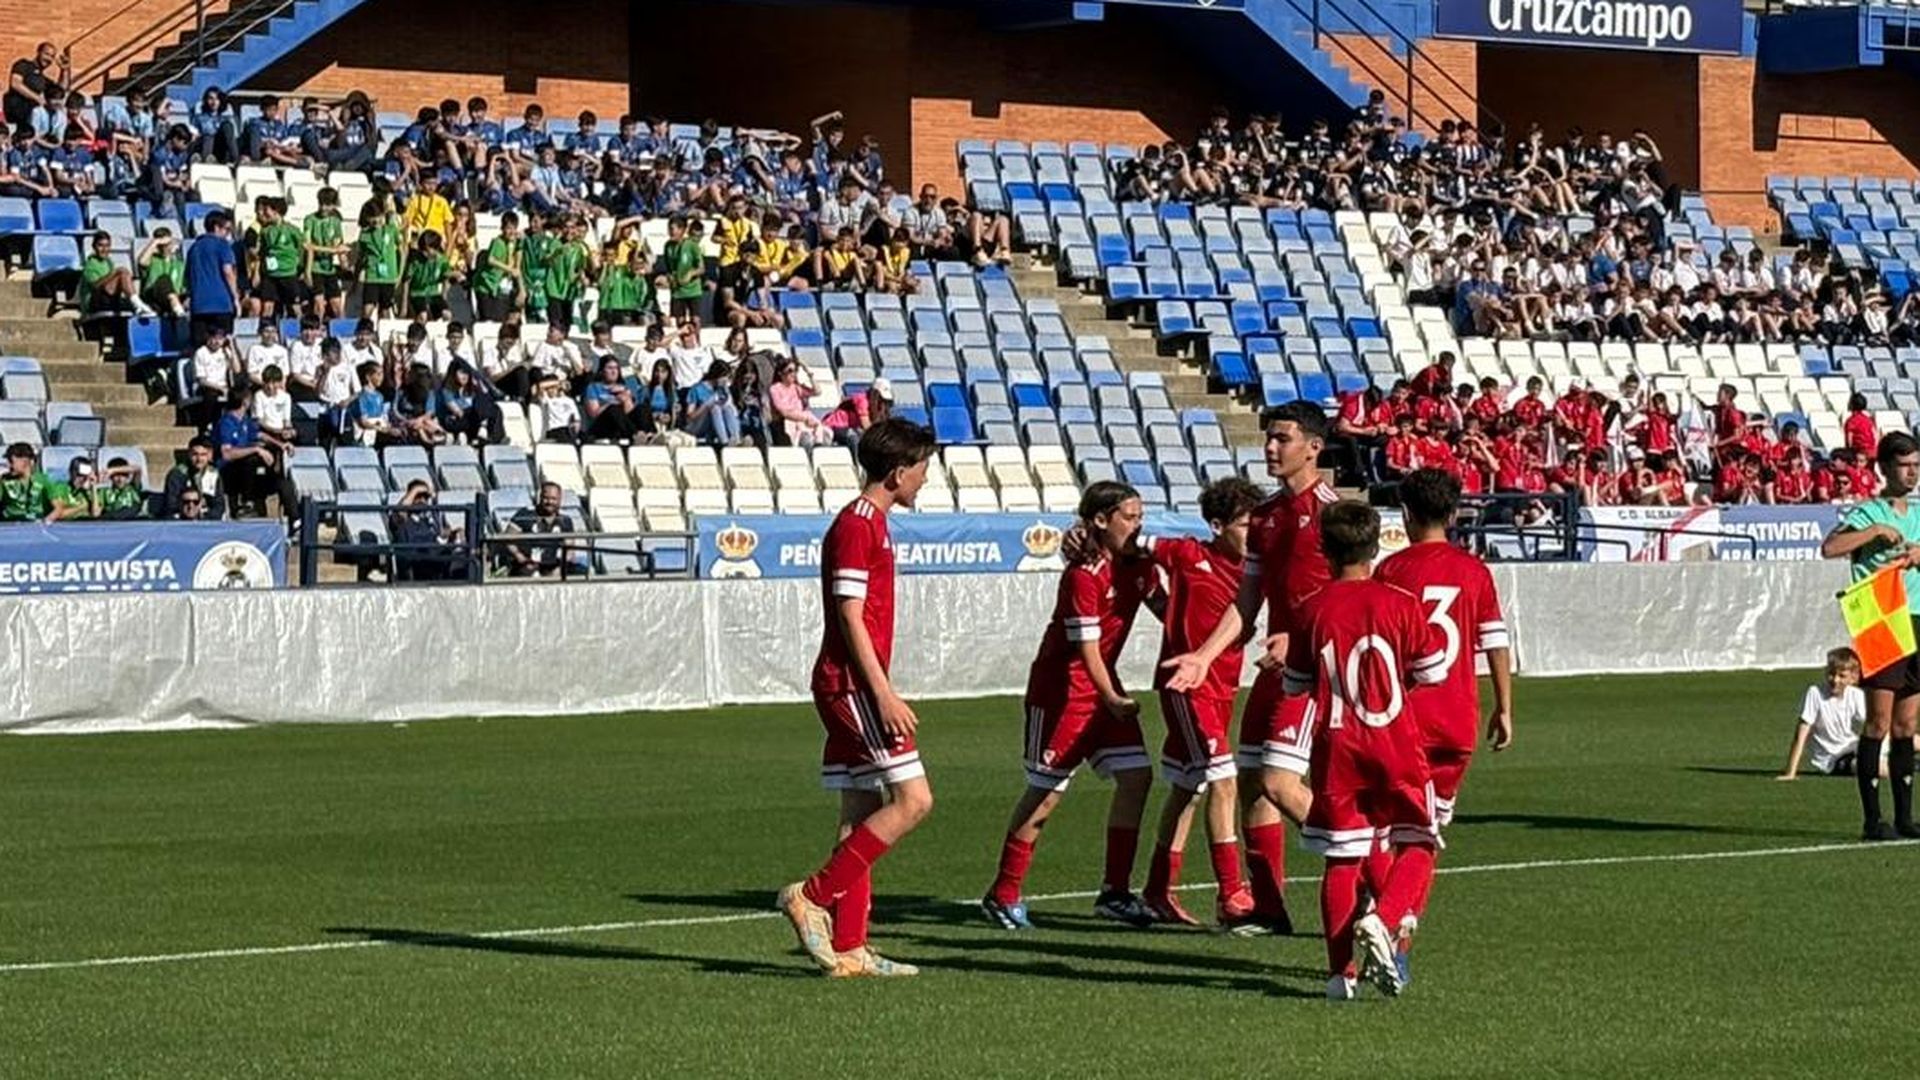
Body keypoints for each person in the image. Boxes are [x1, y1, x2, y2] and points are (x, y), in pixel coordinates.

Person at [1161, 401, 1338, 935]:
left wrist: (1302, 639)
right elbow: (1247, 600)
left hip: (1318, 668)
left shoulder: (1332, 513)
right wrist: (1202, 656)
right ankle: (1269, 908)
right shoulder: (1264, 517)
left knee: (1283, 784)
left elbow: (1354, 594)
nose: (1270, 447)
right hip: (1276, 668)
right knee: (1256, 784)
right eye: (1268, 438)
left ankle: (1375, 879)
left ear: (1314, 446)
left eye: (1282, 438)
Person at [778, 418, 938, 978]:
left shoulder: (872, 522)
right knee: (914, 800)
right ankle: (812, 895)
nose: (924, 481)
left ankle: (850, 948)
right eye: (922, 470)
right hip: (851, 685)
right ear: (899, 472)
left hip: (850, 682)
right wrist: (883, 692)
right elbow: (848, 615)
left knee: (861, 815)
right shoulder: (858, 524)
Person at [1285, 499, 1448, 1000]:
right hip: (1394, 741)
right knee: (1419, 839)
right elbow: (1432, 672)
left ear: (1324, 549)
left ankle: (1340, 976)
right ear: (1376, 547)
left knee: (1341, 858)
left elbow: (1295, 685)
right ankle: (1383, 917)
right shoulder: (1399, 602)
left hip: (1336, 746)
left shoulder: (1310, 608)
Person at [982, 481, 1160, 931]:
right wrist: (1112, 696)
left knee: (1137, 777)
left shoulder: (1138, 565)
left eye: (1140, 516)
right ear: (1100, 521)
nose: (1138, 526)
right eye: (1130, 517)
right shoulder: (1083, 574)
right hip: (1062, 694)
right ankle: (1003, 893)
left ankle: (1115, 893)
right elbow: (1086, 647)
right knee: (1045, 795)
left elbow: (1169, 609)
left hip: (1101, 691)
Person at [1372, 468, 1514, 982]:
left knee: (1391, 831)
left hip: (1401, 719)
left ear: (1405, 515)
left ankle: (1386, 923)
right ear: (1453, 515)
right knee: (1423, 835)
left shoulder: (1390, 571)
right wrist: (1504, 706)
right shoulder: (1474, 571)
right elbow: (1495, 641)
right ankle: (1396, 934)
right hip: (1457, 720)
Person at [1134, 477, 1265, 929]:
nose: (1254, 535)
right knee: (1223, 781)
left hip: (1222, 690)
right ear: (1217, 525)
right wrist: (1084, 538)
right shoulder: (1189, 554)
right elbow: (1131, 541)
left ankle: (1155, 890)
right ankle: (1232, 894)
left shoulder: (1254, 574)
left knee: (1187, 788)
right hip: (1187, 688)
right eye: (1246, 525)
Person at [1819, 431, 1920, 840]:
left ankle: (1905, 817)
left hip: (1916, 620)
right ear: (1884, 468)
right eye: (1904, 465)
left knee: (1907, 725)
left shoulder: (1917, 512)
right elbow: (1830, 547)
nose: (1912, 473)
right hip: (1882, 622)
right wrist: (1874, 532)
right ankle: (1872, 819)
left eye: (1916, 465)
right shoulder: (1868, 512)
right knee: (1878, 721)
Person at [1778, 648, 1882, 781]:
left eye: (1842, 676)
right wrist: (1790, 773)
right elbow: (1800, 735)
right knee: (1875, 768)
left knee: (1907, 738)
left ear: (1853, 677)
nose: (1835, 680)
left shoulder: (1855, 694)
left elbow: (1875, 723)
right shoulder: (1815, 693)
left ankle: (1904, 759)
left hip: (1853, 747)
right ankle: (1907, 764)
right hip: (1833, 759)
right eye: (1831, 674)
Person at [388, 479, 466, 582]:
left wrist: (453, 535)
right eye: (418, 496)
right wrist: (417, 490)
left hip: (435, 556)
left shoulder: (430, 519)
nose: (422, 500)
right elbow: (400, 511)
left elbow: (440, 536)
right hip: (416, 560)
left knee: (466, 558)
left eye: (425, 497)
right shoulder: (403, 519)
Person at [186, 210, 240, 347]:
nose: (228, 233)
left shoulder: (194, 248)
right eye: (227, 229)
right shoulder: (222, 245)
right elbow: (228, 271)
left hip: (199, 305)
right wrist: (235, 298)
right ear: (216, 227)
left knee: (200, 348)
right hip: (221, 304)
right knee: (223, 346)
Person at [163, 436, 226, 519]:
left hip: (207, 520)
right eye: (195, 454)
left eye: (203, 455)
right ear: (189, 454)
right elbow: (171, 503)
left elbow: (219, 504)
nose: (199, 459)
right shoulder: (177, 474)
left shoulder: (213, 474)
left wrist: (205, 515)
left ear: (209, 455)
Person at [685, 360, 741, 446]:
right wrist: (706, 405)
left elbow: (733, 411)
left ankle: (736, 439)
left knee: (728, 409)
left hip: (717, 424)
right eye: (724, 377)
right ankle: (724, 442)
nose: (725, 380)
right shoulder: (697, 389)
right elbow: (689, 417)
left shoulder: (723, 389)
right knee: (715, 408)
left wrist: (728, 397)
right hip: (698, 425)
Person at [0, 441, 57, 521]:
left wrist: (45, 522)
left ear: (24, 462)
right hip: (11, 525)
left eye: (11, 461)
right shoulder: (4, 481)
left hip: (36, 525)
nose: (9, 466)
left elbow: (58, 508)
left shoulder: (43, 480)